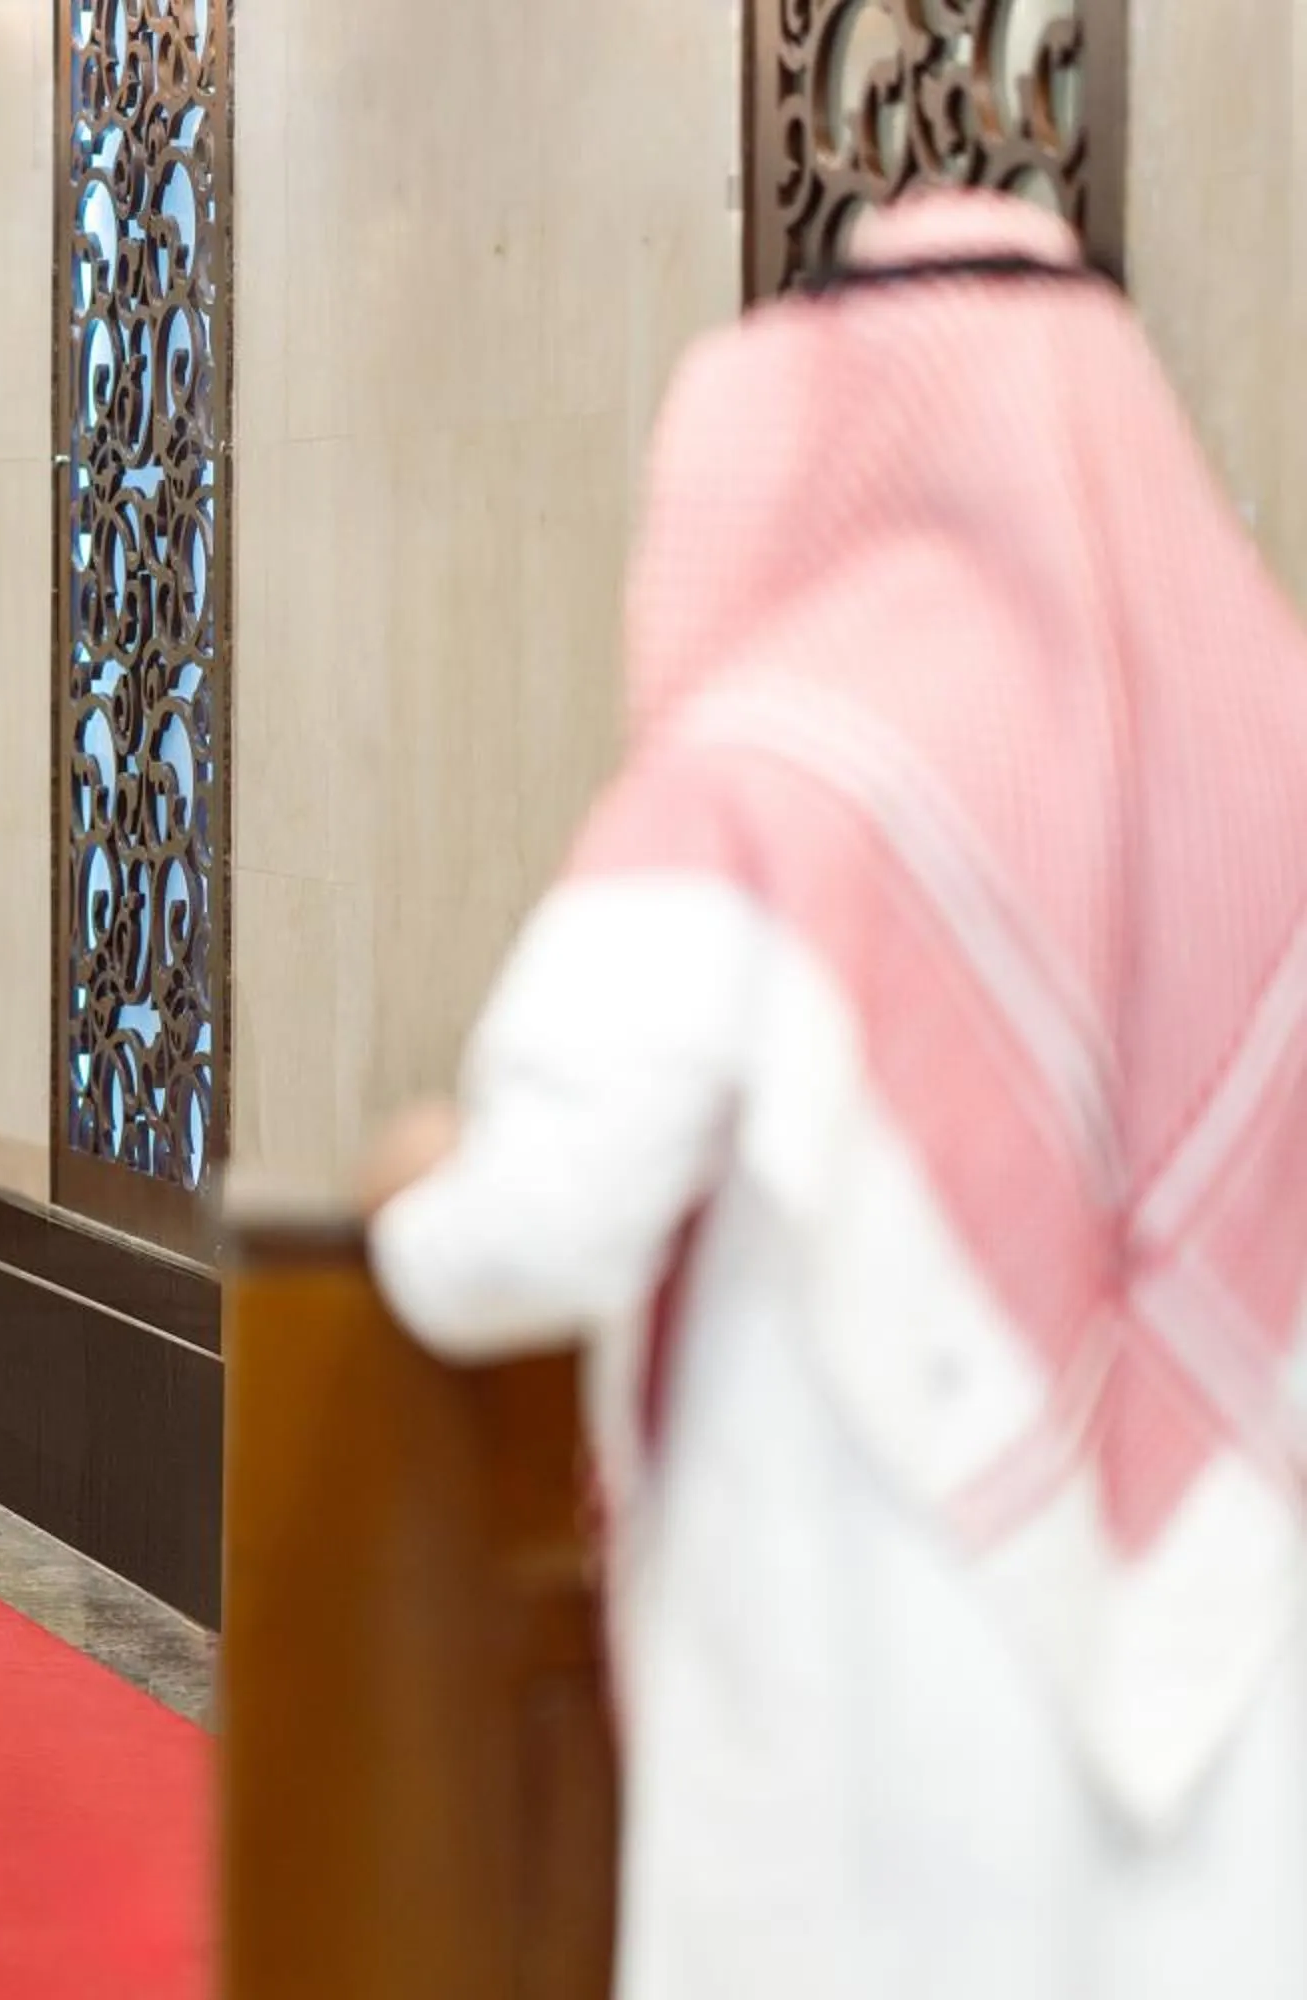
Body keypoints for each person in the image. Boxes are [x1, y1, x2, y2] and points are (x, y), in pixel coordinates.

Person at [358, 192, 1307, 1998]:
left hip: (870, 1725)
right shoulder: (1281, 754)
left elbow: (525, 1235)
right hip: (1226, 1731)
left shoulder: (769, 774)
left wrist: (428, 1182)